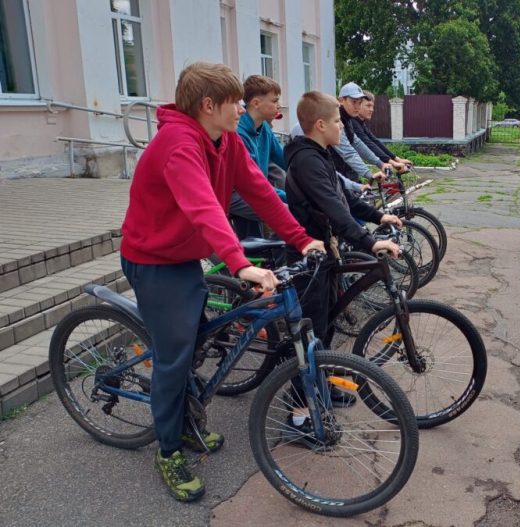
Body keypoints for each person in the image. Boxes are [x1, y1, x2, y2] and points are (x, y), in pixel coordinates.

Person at [120, 62, 324, 502]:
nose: (241, 108)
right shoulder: (178, 145)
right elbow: (202, 207)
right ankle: (169, 449)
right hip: (153, 260)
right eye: (234, 101)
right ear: (209, 105)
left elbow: (261, 193)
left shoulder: (226, 140)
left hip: (184, 256)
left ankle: (184, 419)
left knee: (194, 344)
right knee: (174, 357)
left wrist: (302, 238)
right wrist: (238, 262)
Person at [284, 90, 402, 344]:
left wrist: (379, 217)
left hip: (323, 250)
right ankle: (303, 383)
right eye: (337, 121)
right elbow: (332, 208)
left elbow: (343, 198)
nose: (341, 127)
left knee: (326, 324)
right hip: (309, 256)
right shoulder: (307, 161)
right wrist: (369, 242)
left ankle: (320, 379)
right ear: (320, 125)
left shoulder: (320, 155)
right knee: (313, 329)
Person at [229, 75, 287, 238]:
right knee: (291, 214)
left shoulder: (264, 128)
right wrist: (293, 197)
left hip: (254, 190)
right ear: (256, 103)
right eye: (274, 101)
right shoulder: (239, 133)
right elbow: (253, 184)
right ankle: (275, 261)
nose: (279, 106)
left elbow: (285, 159)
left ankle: (269, 261)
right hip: (237, 193)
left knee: (256, 243)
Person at [333, 81, 391, 183]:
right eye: (354, 102)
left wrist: (380, 164)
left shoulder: (348, 119)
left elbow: (357, 143)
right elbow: (348, 152)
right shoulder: (335, 119)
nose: (357, 106)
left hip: (345, 173)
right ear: (341, 100)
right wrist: (369, 175)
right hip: (334, 175)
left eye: (359, 103)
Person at [352, 90, 412, 172]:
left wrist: (396, 159)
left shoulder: (360, 123)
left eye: (372, 106)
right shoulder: (353, 123)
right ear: (358, 105)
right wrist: (391, 162)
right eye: (368, 106)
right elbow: (367, 144)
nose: (372, 109)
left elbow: (374, 141)